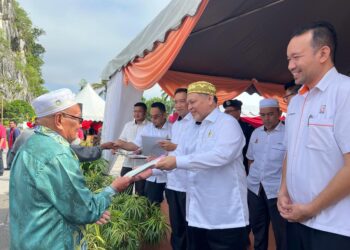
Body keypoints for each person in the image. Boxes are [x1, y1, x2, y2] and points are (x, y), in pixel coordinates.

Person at [9, 88, 133, 249]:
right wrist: (113, 188)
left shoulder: (30, 144)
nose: (81, 124)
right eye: (78, 118)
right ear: (59, 119)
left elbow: (59, 201)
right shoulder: (58, 153)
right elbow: (86, 210)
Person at [278, 21, 350, 250]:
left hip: (333, 228)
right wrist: (283, 191)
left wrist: (312, 208)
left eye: (296, 57)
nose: (290, 65)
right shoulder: (297, 101)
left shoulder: (344, 93)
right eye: (288, 59)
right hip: (296, 219)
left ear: (323, 53)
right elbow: (292, 150)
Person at [155, 81, 249, 250]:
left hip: (224, 216)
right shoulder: (192, 127)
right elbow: (179, 153)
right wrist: (150, 169)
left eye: (192, 102)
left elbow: (221, 156)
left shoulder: (227, 123)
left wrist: (176, 162)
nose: (189, 107)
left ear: (211, 99)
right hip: (197, 214)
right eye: (187, 102)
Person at [246, 98, 287, 250]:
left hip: (277, 191)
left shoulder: (288, 133)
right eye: (263, 115)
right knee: (258, 230)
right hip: (255, 189)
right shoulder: (256, 133)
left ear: (279, 113)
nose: (266, 119)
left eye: (270, 114)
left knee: (281, 232)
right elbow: (250, 160)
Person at [114, 102, 171, 204]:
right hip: (151, 175)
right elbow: (135, 145)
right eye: (152, 117)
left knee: (166, 208)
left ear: (164, 115)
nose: (153, 120)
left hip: (168, 176)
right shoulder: (148, 128)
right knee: (149, 204)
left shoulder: (173, 129)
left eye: (156, 117)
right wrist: (119, 144)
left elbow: (177, 152)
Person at [157, 88, 192, 250]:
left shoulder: (196, 122)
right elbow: (174, 151)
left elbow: (197, 152)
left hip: (188, 185)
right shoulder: (176, 124)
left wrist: (173, 146)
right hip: (173, 183)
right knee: (176, 227)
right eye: (175, 101)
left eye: (181, 101)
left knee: (190, 227)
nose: (178, 105)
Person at [117, 102, 149, 195]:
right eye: (135, 111)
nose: (136, 114)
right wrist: (116, 147)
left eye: (139, 111)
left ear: (145, 113)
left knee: (141, 192)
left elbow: (151, 145)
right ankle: (125, 210)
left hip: (142, 165)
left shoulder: (150, 126)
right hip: (128, 162)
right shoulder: (128, 125)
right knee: (125, 190)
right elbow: (121, 140)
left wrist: (141, 150)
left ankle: (140, 210)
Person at [223, 99, 254, 174]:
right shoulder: (221, 127)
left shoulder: (248, 128)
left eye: (229, 111)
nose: (226, 114)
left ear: (239, 111)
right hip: (224, 166)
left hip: (241, 165)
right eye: (225, 111)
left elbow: (250, 150)